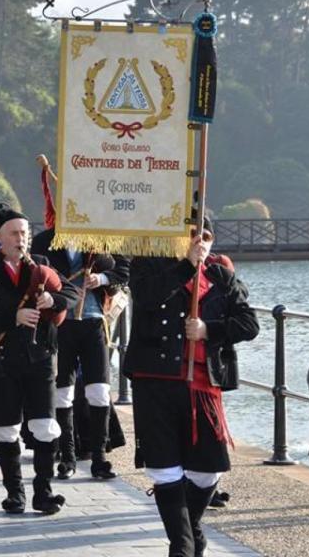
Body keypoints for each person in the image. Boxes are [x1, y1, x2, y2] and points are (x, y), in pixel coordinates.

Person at [126, 220, 259, 557]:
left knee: (208, 470)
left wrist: (207, 330)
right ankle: (182, 546)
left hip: (203, 385)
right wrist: (186, 263)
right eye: (193, 236)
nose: (200, 242)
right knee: (165, 466)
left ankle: (190, 526)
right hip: (155, 380)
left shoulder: (221, 275)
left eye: (206, 237)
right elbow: (147, 300)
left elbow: (248, 324)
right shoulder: (149, 262)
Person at [0, 203, 79, 516]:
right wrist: (12, 316)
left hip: (41, 357)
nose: (22, 239)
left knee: (45, 426)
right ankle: (14, 494)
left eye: (25, 233)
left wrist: (52, 299)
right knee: (6, 429)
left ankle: (43, 492)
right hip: (3, 359)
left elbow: (71, 294)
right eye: (15, 233)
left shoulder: (41, 265)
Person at [30, 155, 130, 481]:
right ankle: (67, 455)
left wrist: (99, 279)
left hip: (92, 323)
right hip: (60, 324)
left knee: (99, 390)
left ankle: (99, 456)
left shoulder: (97, 238)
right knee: (63, 391)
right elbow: (36, 276)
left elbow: (123, 270)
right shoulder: (44, 240)